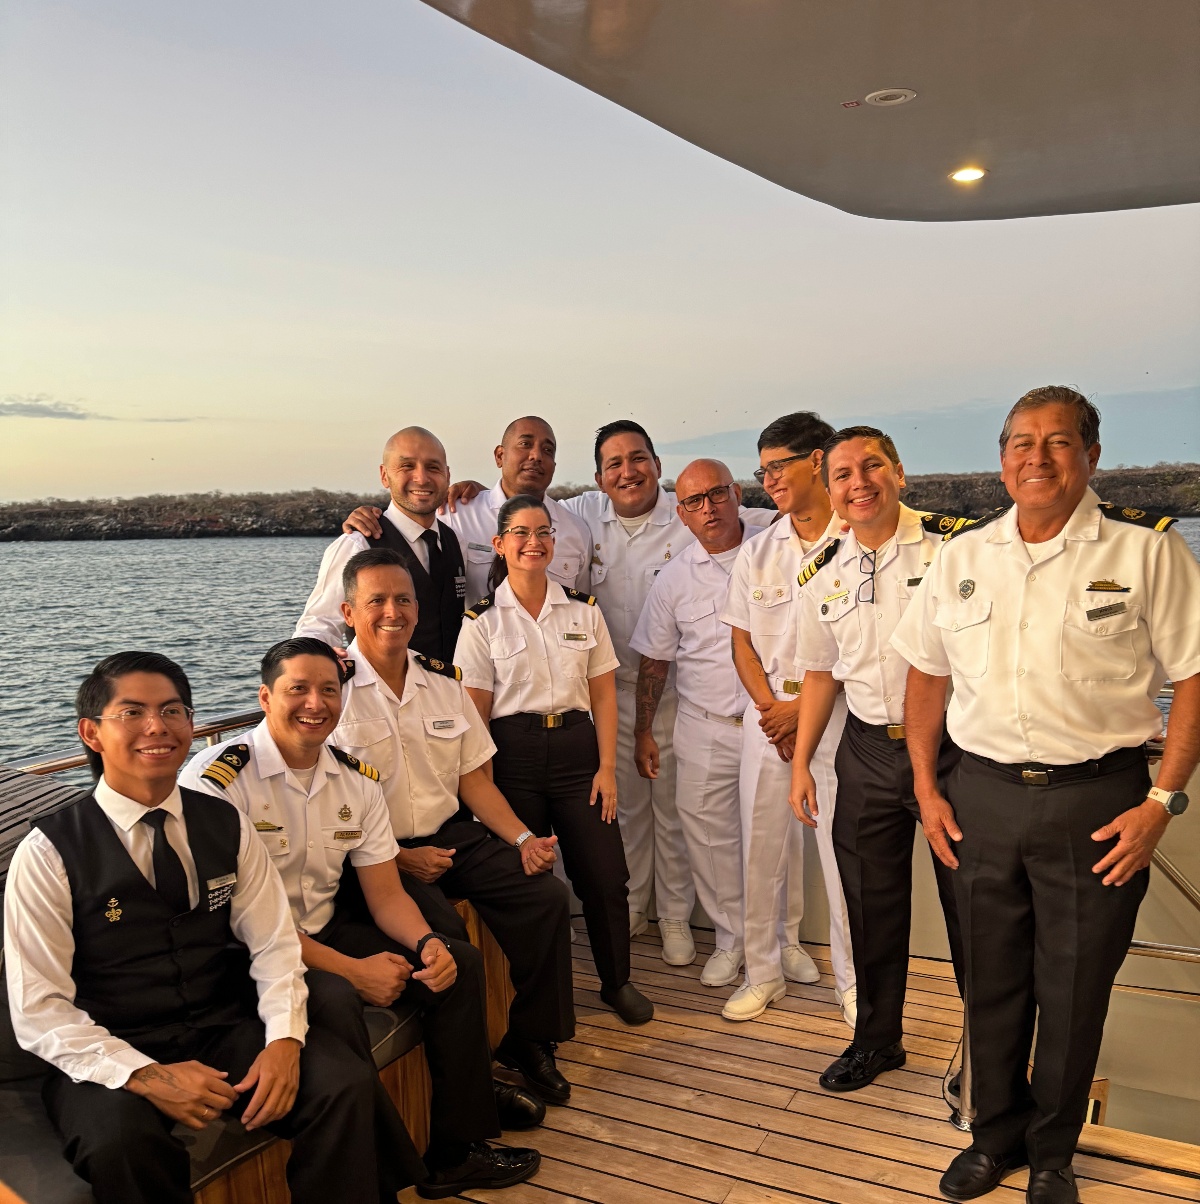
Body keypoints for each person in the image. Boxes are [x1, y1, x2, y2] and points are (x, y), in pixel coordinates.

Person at [891, 387, 1200, 1204]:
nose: (1038, 456)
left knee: (1072, 990)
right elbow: (925, 674)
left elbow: (1195, 677)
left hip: (1098, 805)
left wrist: (1161, 803)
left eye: (1058, 442)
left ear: (1091, 456)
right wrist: (926, 786)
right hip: (979, 796)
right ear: (1001, 461)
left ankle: (1053, 1153)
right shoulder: (960, 559)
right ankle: (993, 1137)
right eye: (1021, 442)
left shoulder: (1148, 555)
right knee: (988, 982)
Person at [3, 651, 417, 1204]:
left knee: (340, 1084)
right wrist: (145, 1075)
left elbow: (273, 946)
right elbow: (39, 1008)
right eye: (132, 713)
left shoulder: (225, 823)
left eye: (173, 710)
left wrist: (285, 1042)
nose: (158, 727)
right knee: (119, 1143)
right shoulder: (50, 851)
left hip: (220, 1024)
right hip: (107, 1045)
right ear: (92, 733)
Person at [181, 637, 543, 1199]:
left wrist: (425, 943)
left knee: (458, 964)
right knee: (336, 996)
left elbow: (385, 894)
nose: (315, 702)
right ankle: (379, 1176)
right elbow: (243, 922)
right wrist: (352, 970)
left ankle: (457, 1151)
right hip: (244, 954)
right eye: (297, 688)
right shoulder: (217, 783)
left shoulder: (356, 780)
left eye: (329, 689)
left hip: (322, 925)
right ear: (264, 697)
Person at [330, 547, 579, 1105]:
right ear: (348, 612)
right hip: (376, 858)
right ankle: (471, 1082)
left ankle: (529, 1040)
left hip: (453, 835)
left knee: (546, 897)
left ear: (418, 609)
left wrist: (522, 839)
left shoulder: (444, 682)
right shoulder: (332, 694)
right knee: (449, 941)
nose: (392, 611)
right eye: (376, 601)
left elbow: (473, 782)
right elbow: (324, 813)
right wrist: (395, 858)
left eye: (403, 599)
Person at [787, 427, 969, 1091]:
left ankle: (988, 1056)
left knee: (972, 907)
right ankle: (876, 1040)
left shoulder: (955, 546)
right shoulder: (820, 569)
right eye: (842, 474)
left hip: (955, 751)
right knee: (870, 904)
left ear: (898, 471)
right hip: (864, 747)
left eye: (872, 467)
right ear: (829, 489)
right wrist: (801, 762)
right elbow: (818, 673)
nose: (859, 483)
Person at [454, 495, 654, 1025]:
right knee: (532, 883)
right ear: (499, 545)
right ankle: (538, 1002)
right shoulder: (480, 624)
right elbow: (474, 721)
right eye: (520, 533)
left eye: (543, 532)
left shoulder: (584, 611)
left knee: (605, 875)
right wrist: (485, 797)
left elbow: (605, 695)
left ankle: (617, 982)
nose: (534, 542)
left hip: (577, 755)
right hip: (512, 758)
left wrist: (607, 767)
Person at [720, 411, 856, 1024]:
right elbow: (741, 642)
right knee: (761, 851)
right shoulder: (758, 551)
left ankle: (854, 984)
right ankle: (762, 971)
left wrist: (803, 709)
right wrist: (772, 710)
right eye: (763, 468)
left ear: (818, 460)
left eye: (779, 466)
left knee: (841, 854)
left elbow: (869, 645)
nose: (769, 479)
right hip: (768, 718)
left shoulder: (859, 543)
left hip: (838, 720)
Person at [628, 458, 754, 988]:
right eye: (694, 502)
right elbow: (654, 662)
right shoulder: (674, 578)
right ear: (680, 512)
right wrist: (642, 731)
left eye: (718, 494)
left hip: (771, 723)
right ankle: (730, 940)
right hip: (703, 723)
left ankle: (783, 939)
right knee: (706, 837)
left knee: (777, 838)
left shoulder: (776, 541)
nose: (709, 509)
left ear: (738, 492)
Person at [341, 416, 593, 604]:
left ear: (554, 464)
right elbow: (411, 522)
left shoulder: (576, 529)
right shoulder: (455, 513)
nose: (536, 455)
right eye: (525, 444)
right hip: (470, 664)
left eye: (547, 450)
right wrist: (376, 519)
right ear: (499, 456)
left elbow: (581, 608)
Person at [295, 426, 468, 661]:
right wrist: (319, 665)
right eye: (407, 466)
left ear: (447, 475)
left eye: (433, 467)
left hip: (448, 690)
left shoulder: (455, 540)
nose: (422, 477)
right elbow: (319, 624)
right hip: (380, 692)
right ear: (385, 475)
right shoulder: (357, 545)